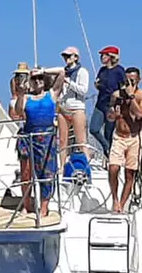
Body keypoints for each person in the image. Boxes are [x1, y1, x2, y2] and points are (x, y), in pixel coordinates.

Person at [13, 71, 60, 219]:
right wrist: (20, 93)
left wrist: (43, 71)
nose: (38, 80)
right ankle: (27, 205)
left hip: (47, 138)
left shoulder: (51, 94)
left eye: (40, 78)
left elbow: (62, 73)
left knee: (47, 173)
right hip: (29, 137)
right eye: (34, 78)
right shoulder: (26, 97)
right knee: (26, 173)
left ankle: (44, 207)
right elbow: (18, 111)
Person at [106, 66, 142, 212]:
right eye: (127, 80)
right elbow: (110, 116)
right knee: (113, 167)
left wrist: (131, 97)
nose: (130, 82)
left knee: (130, 173)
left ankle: (122, 204)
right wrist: (114, 114)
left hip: (134, 137)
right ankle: (115, 199)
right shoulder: (117, 95)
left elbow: (139, 114)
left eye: (133, 79)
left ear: (138, 80)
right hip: (119, 136)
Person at [57, 46, 93, 178]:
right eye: (64, 56)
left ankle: (87, 165)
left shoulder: (83, 72)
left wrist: (69, 82)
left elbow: (83, 90)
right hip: (63, 108)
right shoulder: (63, 72)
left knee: (81, 140)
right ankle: (61, 167)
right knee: (62, 140)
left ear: (75, 57)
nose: (66, 59)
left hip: (77, 107)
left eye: (68, 56)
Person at [93, 46, 125, 152]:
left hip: (112, 105)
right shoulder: (102, 70)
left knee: (109, 133)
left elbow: (124, 88)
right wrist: (97, 85)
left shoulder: (119, 70)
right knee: (93, 129)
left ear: (111, 57)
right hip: (100, 103)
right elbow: (100, 84)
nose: (101, 57)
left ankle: (110, 159)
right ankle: (106, 147)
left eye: (104, 55)